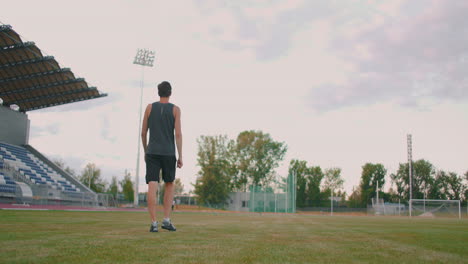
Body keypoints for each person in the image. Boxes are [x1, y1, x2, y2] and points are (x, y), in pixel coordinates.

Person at [141, 81, 183, 232]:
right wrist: (180, 156)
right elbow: (177, 134)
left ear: (158, 92)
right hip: (168, 152)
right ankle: (166, 219)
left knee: (152, 185)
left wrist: (146, 151)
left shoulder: (149, 107)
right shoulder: (176, 110)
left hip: (152, 152)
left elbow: (143, 133)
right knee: (169, 184)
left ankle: (153, 223)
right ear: (170, 93)